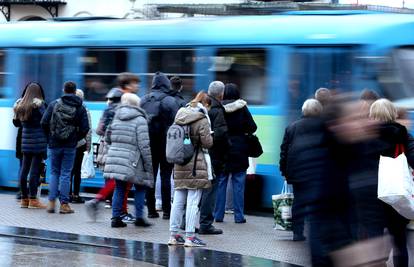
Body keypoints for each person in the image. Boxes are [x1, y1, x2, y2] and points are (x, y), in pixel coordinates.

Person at [348, 99, 410, 267]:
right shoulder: (402, 133)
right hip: (395, 193)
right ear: (392, 113)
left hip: (370, 194)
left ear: (372, 114)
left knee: (372, 239)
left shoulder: (364, 135)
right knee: (399, 242)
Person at [85, 73, 140, 223]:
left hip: (110, 146)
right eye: (135, 83)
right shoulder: (124, 104)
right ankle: (109, 206)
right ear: (127, 85)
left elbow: (100, 130)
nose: (138, 86)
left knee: (119, 180)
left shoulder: (110, 104)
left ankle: (114, 208)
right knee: (122, 181)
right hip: (121, 147)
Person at [168, 92, 213, 247]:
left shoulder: (180, 115)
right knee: (193, 201)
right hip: (195, 164)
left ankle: (174, 235)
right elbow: (207, 143)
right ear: (206, 105)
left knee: (178, 200)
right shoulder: (201, 119)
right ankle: (190, 236)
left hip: (179, 163)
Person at [104, 93, 153, 228]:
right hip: (134, 159)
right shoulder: (140, 120)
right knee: (140, 187)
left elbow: (107, 137)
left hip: (116, 157)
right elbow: (144, 145)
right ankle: (139, 218)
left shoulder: (116, 116)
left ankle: (115, 218)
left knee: (119, 188)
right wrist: (148, 164)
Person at [41, 81, 89, 214]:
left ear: (64, 90)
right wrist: (75, 138)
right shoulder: (80, 107)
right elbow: (85, 128)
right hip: (70, 146)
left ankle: (51, 203)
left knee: (54, 172)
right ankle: (64, 205)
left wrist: (50, 138)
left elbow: (44, 122)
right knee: (66, 174)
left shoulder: (54, 104)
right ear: (74, 91)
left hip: (54, 144)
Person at [279, 99, 324, 241]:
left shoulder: (292, 127)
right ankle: (317, 232)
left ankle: (297, 232)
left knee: (298, 202)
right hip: (317, 172)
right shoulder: (323, 127)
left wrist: (284, 171)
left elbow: (284, 151)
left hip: (297, 171)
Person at [214, 83, 257, 224]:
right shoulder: (242, 107)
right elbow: (253, 127)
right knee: (238, 183)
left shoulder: (219, 107)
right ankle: (239, 216)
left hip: (222, 149)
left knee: (221, 182)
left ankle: (218, 215)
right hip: (239, 149)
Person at [141, 71, 181, 220]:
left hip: (148, 144)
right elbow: (178, 123)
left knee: (150, 176)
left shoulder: (144, 100)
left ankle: (151, 210)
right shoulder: (170, 100)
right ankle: (166, 211)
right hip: (166, 144)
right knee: (165, 176)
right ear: (166, 84)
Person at [198, 81, 228, 235]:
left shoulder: (202, 106)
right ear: (221, 94)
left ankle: (185, 221)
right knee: (210, 190)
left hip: (200, 155)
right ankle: (206, 224)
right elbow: (221, 135)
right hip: (214, 156)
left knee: (197, 190)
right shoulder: (218, 110)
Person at [13, 82, 48, 209]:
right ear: (38, 92)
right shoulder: (39, 106)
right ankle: (33, 199)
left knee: (23, 170)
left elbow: (16, 122)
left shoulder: (20, 105)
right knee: (34, 172)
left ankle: (24, 199)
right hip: (38, 143)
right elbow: (46, 121)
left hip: (25, 143)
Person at [69, 89, 92, 204]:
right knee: (77, 170)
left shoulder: (66, 107)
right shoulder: (84, 109)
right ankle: (76, 195)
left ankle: (66, 194)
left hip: (67, 143)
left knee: (68, 170)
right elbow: (88, 129)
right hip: (80, 144)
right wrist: (88, 145)